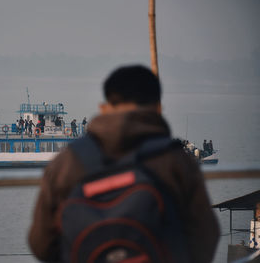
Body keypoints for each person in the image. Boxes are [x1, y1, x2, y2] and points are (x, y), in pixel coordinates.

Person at [28, 65, 219, 263]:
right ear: (159, 109)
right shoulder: (177, 161)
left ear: (104, 108)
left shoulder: (66, 162)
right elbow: (206, 236)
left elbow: (41, 244)